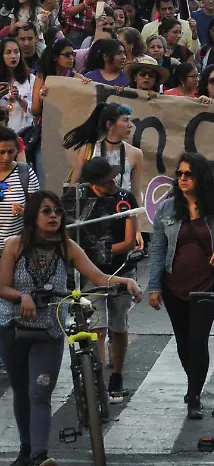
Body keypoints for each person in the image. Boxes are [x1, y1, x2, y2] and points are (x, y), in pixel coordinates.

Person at [0, 190, 141, 466]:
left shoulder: (68, 246)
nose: (54, 216)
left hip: (49, 331)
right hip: (12, 328)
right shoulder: (15, 245)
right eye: (47, 211)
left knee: (39, 392)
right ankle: (26, 451)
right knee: (21, 391)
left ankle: (40, 456)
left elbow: (98, 277)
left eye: (57, 211)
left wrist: (125, 281)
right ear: (33, 215)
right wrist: (22, 296)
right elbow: (2, 286)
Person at [146, 153, 214, 419]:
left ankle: (194, 395)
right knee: (183, 342)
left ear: (201, 177)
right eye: (179, 174)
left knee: (198, 341)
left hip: (206, 286)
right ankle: (194, 383)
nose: (183, 178)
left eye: (188, 174)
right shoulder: (166, 209)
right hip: (174, 286)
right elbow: (157, 249)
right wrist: (154, 287)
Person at [72, 157, 140, 402]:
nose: (112, 183)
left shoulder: (125, 198)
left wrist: (97, 252)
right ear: (92, 184)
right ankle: (97, 380)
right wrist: (84, 259)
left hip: (121, 270)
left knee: (119, 325)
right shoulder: (77, 200)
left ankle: (117, 375)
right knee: (97, 329)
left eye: (112, 178)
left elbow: (129, 242)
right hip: (90, 274)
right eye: (105, 181)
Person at [62, 102, 144, 195]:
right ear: (110, 125)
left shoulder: (136, 154)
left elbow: (136, 193)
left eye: (130, 120)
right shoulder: (88, 150)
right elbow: (73, 186)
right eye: (125, 120)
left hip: (122, 203)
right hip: (93, 203)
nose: (130, 125)